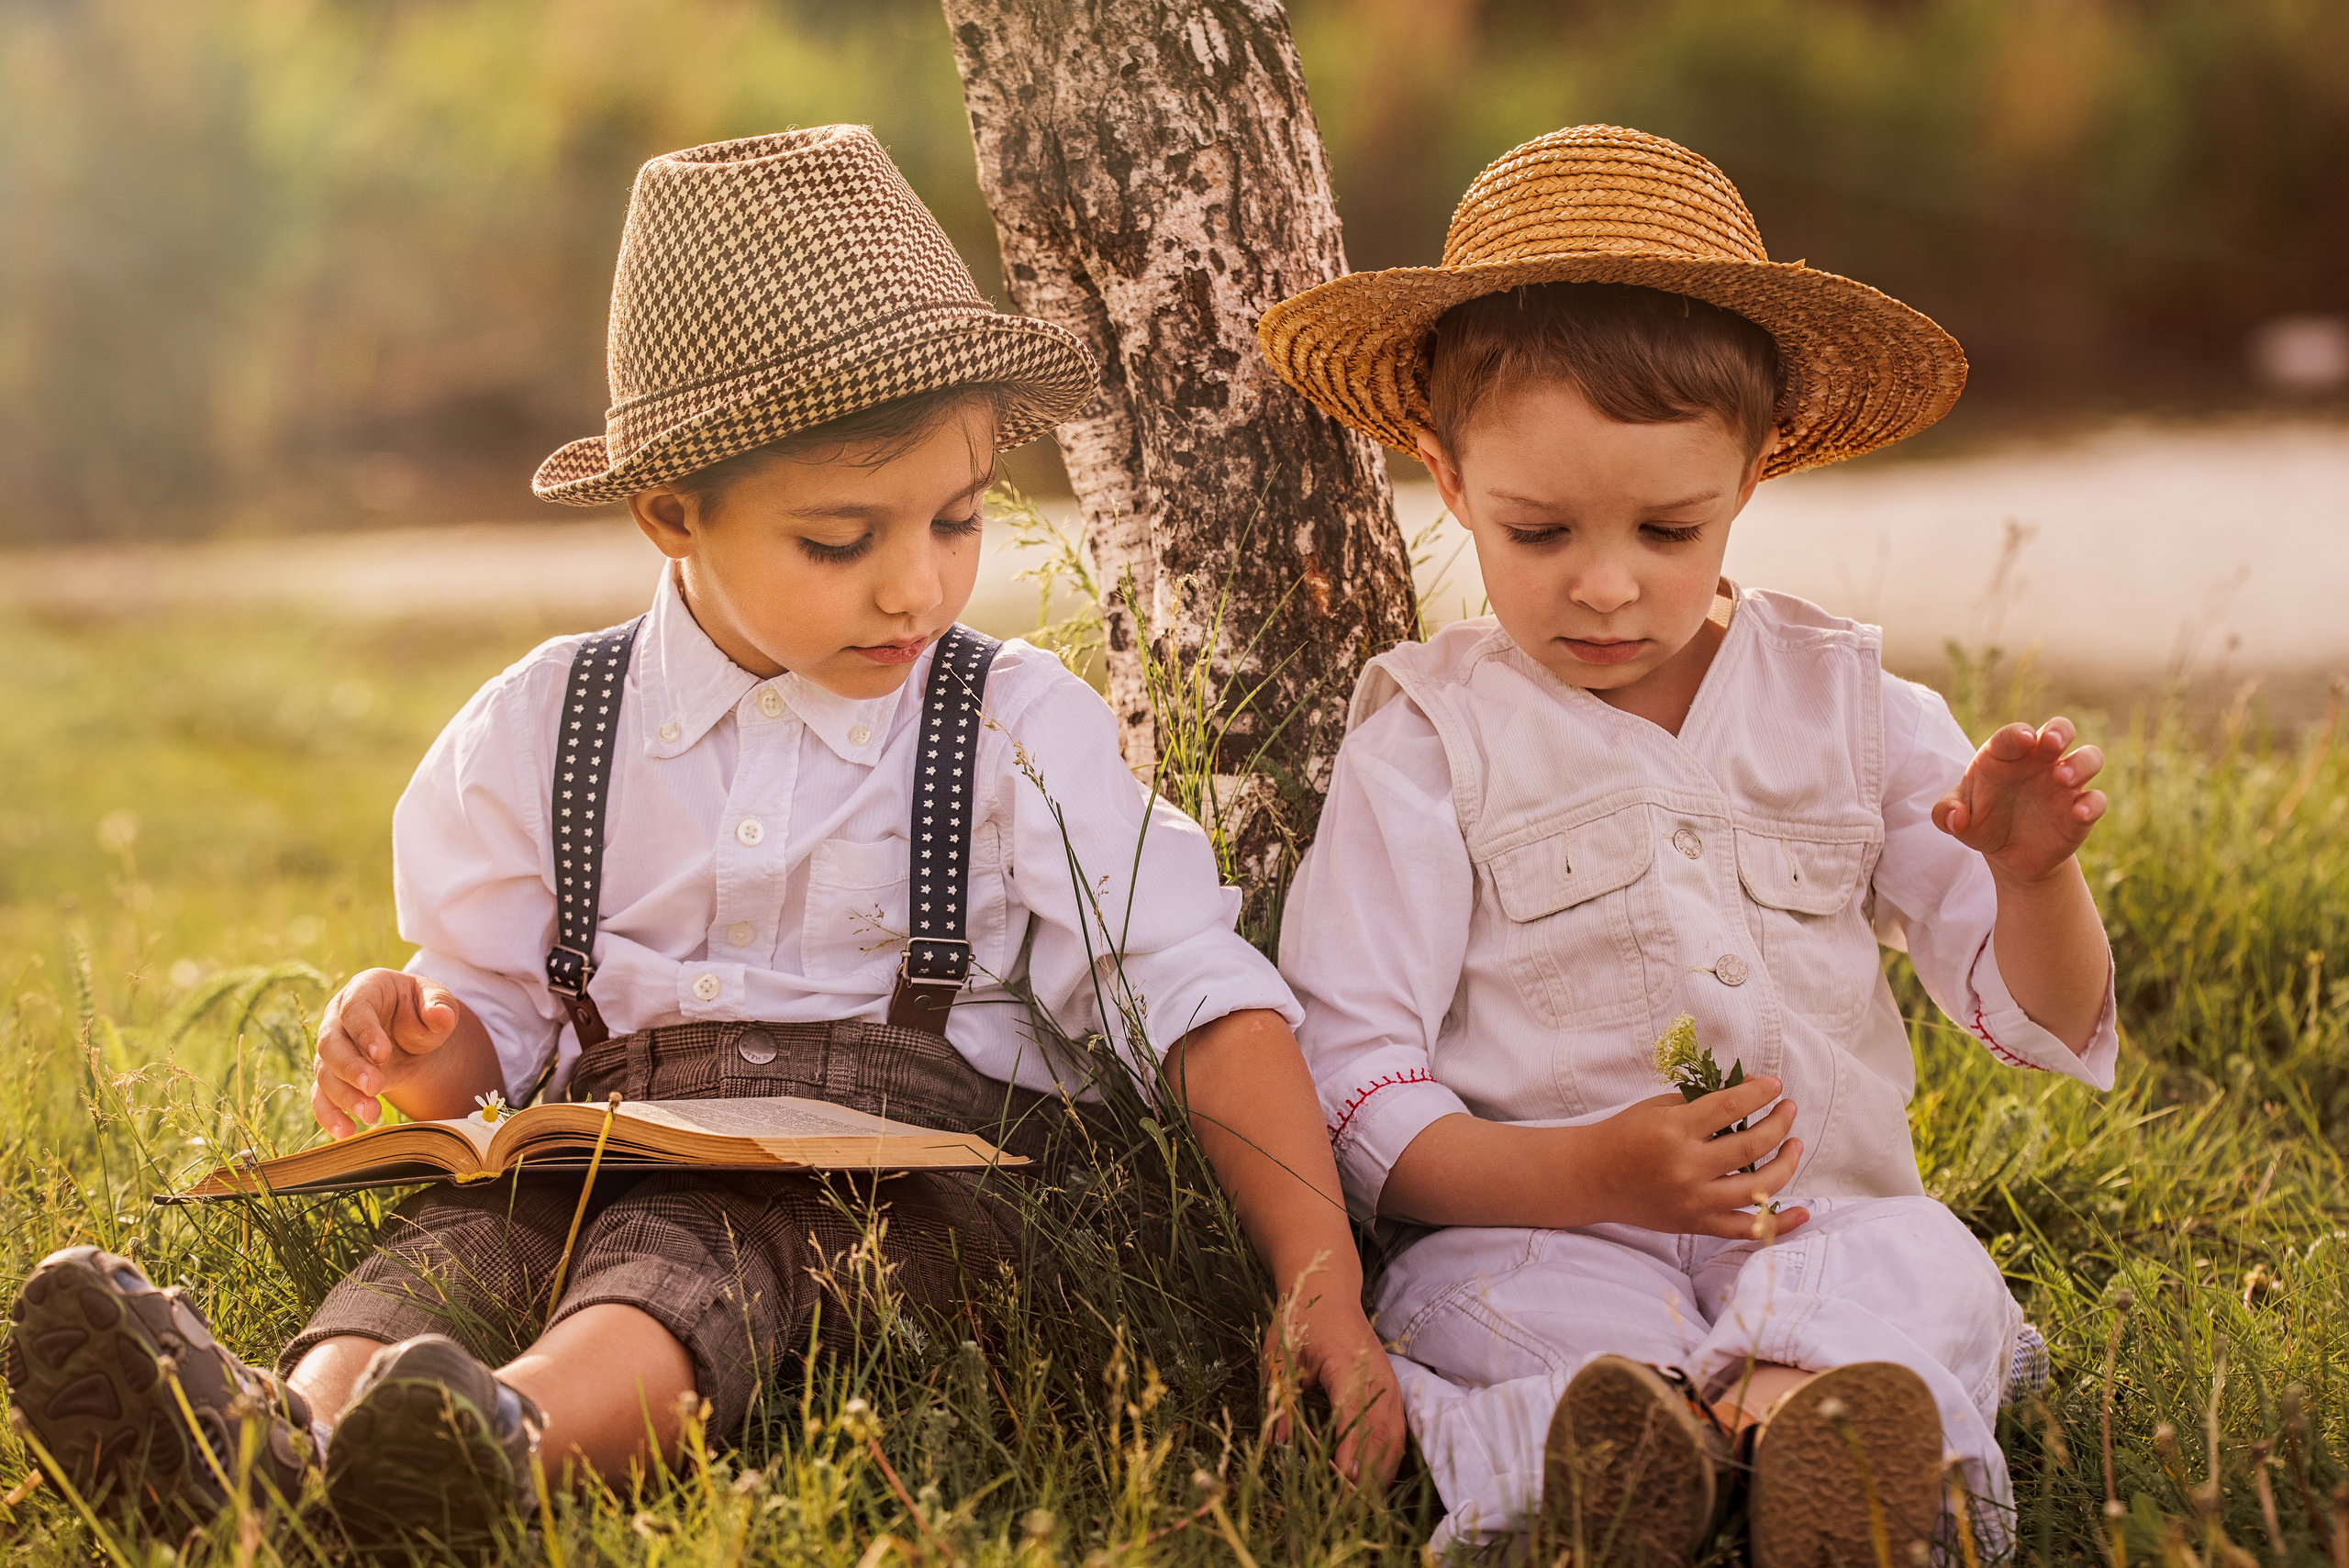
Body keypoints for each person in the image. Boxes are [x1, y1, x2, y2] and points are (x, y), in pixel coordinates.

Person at [5, 126, 1402, 1548]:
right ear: (672, 512)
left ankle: (506, 1446)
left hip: (885, 1196)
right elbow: (487, 1000)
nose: (916, 585)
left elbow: (1201, 995)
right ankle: (280, 1439)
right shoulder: (545, 724)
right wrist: (431, 1046)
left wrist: (1321, 1271)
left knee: (694, 1252)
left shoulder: (1009, 730)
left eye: (959, 516)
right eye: (840, 540)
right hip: (603, 1141)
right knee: (467, 1241)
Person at [1257, 125, 2117, 1564]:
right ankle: (1642, 1447)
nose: (1606, 585)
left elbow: (2034, 1011)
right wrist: (1586, 1176)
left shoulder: (1848, 702)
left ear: (1758, 465)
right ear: (1448, 477)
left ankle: (1810, 1423)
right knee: (1463, 1304)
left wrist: (2034, 878)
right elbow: (1355, 1078)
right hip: (1550, 1234)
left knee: (1920, 1260)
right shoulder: (1428, 738)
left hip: (1818, 1233)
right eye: (1537, 532)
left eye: (1669, 527)